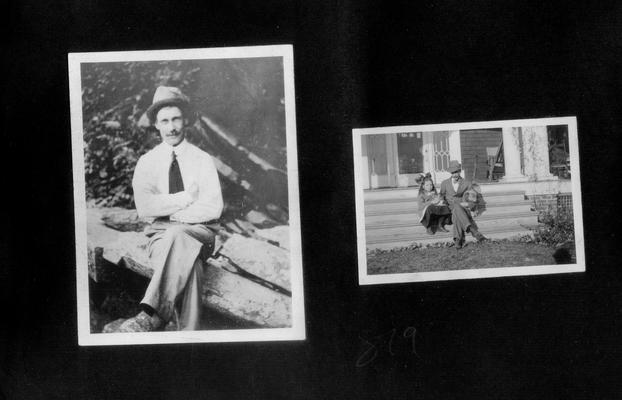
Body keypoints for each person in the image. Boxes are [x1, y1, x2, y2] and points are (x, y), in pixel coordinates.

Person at [116, 86, 223, 332]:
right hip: (160, 236)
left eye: (176, 118)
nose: (172, 126)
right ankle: (189, 337)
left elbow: (212, 208)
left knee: (178, 235)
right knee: (191, 263)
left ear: (185, 120)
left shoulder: (202, 160)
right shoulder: (147, 162)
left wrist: (169, 211)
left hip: (201, 233)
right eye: (165, 121)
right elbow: (145, 208)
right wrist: (186, 198)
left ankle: (151, 314)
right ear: (156, 124)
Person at [439, 161, 487, 249]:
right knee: (455, 210)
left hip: (463, 208)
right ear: (450, 173)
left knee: (457, 209)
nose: (455, 174)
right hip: (450, 208)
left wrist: (468, 204)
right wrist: (442, 201)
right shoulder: (444, 183)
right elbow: (441, 195)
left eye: (456, 172)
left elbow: (473, 198)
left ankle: (457, 240)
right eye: (453, 172)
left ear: (459, 171)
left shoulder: (467, 183)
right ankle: (473, 231)